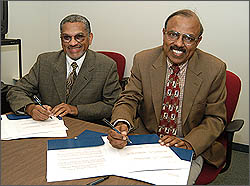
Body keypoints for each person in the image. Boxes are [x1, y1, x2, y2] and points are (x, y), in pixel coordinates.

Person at [107, 9, 227, 185]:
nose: (178, 44)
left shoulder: (214, 69)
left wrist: (189, 144)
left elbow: (216, 118)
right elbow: (128, 99)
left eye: (188, 38)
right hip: (147, 137)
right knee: (118, 179)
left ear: (198, 41)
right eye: (173, 34)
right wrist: (121, 123)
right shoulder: (143, 60)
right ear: (163, 33)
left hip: (188, 144)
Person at [7, 14, 121, 123]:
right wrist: (31, 108)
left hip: (87, 127)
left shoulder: (106, 65)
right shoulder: (45, 61)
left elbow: (112, 105)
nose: (72, 43)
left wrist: (76, 109)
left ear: (90, 38)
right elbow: (16, 91)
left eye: (79, 37)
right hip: (49, 126)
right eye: (67, 37)